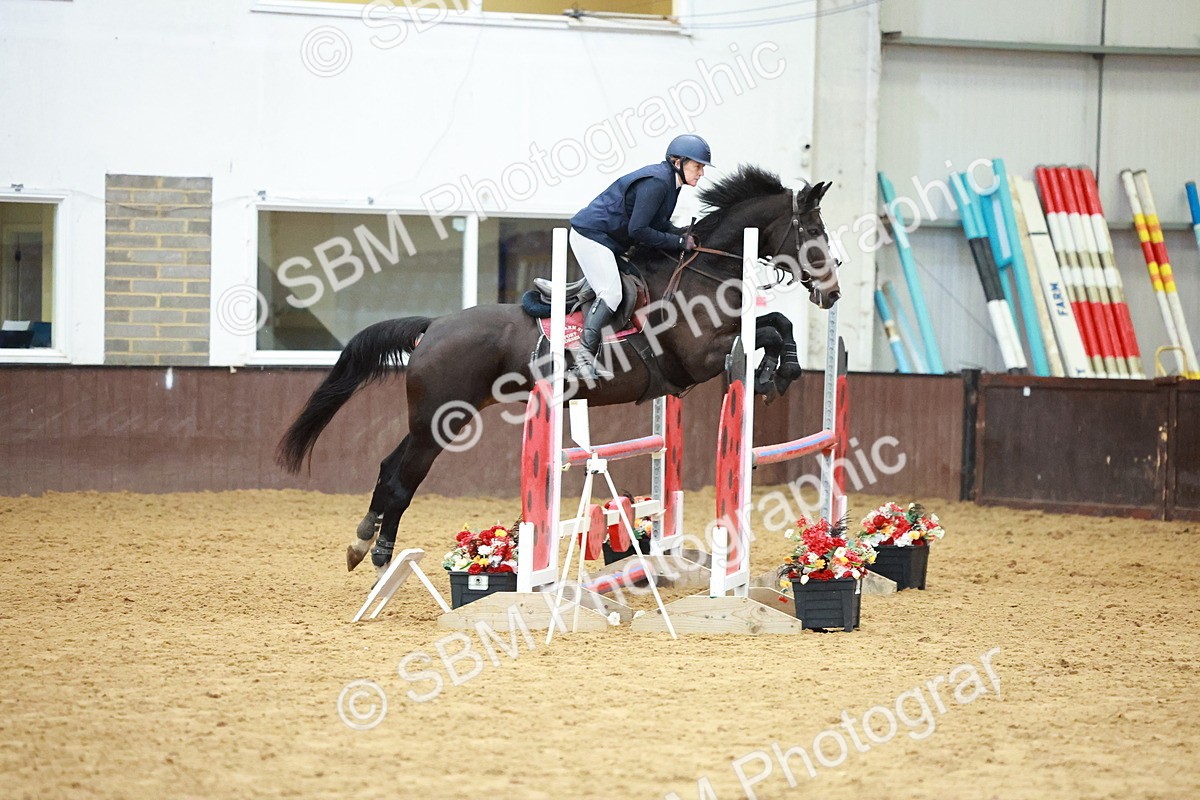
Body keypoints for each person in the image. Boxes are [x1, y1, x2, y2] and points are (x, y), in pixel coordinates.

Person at [567, 133, 713, 379]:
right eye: (697, 166)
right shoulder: (658, 182)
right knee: (611, 293)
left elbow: (658, 224)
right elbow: (639, 230)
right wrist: (678, 242)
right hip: (591, 237)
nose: (701, 173)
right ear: (677, 162)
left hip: (609, 241)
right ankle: (582, 361)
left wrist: (682, 234)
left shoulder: (672, 184)